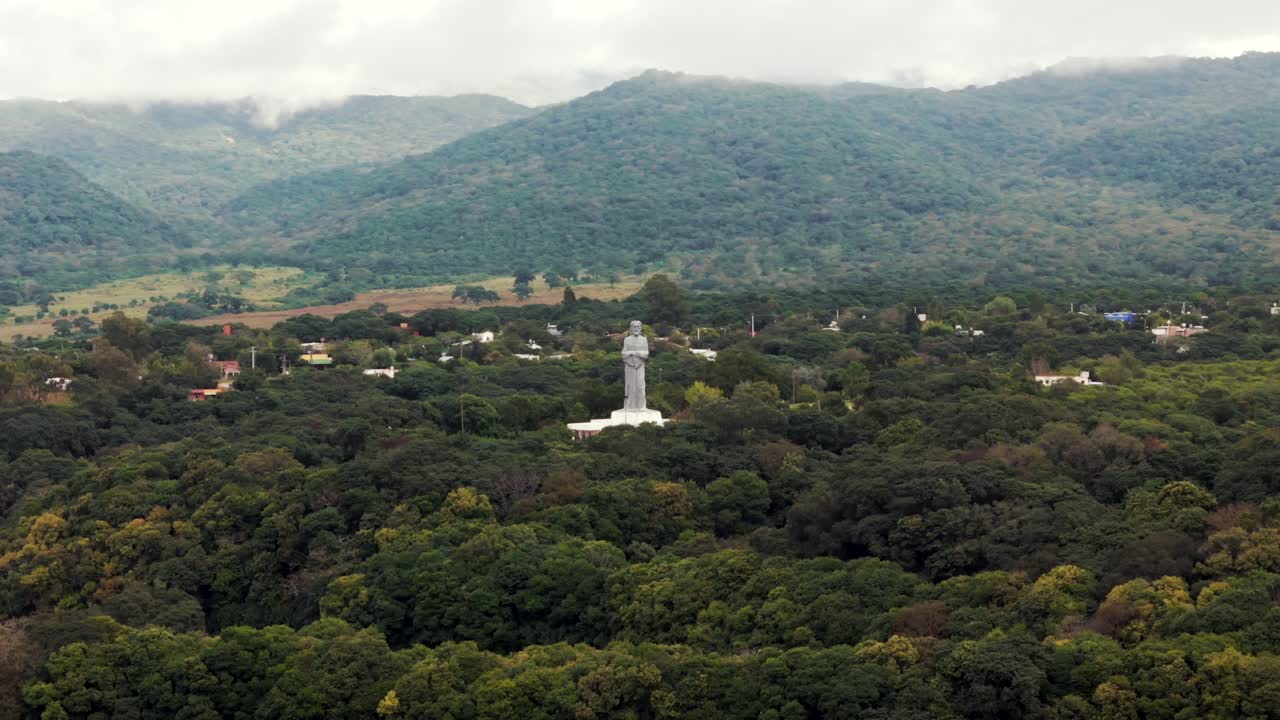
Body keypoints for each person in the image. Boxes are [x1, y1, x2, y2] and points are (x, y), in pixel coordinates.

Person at [621, 320, 648, 410]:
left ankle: (641, 406)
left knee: (640, 386)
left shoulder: (644, 340)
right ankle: (629, 406)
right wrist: (632, 354)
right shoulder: (627, 340)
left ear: (640, 328)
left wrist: (634, 353)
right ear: (631, 329)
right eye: (634, 327)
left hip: (640, 366)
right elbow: (623, 354)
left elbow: (646, 354)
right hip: (629, 366)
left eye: (638, 327)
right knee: (630, 386)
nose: (636, 328)